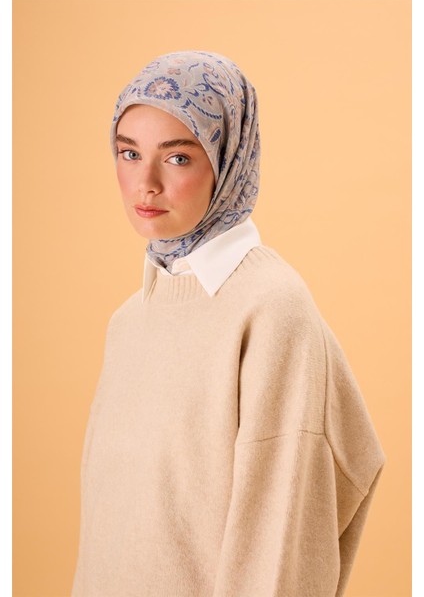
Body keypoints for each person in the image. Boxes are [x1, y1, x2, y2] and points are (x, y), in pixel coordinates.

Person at [71, 50, 386, 597]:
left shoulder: (271, 309)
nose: (145, 183)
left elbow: (278, 552)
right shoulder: (130, 321)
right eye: (129, 153)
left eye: (177, 157)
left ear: (229, 158)